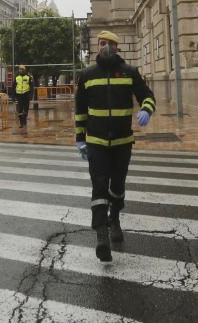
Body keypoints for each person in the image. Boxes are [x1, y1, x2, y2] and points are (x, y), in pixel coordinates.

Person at [74, 30, 157, 262]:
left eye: (109, 43)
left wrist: (146, 110)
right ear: (97, 46)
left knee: (117, 185)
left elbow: (147, 95)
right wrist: (80, 138)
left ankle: (115, 218)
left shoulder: (130, 72)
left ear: (116, 47)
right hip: (96, 142)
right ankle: (102, 235)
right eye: (101, 43)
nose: (105, 47)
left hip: (122, 142)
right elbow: (80, 110)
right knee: (98, 185)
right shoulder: (87, 74)